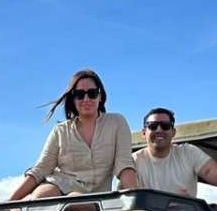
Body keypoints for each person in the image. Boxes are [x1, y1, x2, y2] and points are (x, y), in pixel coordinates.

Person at [9, 70, 138, 200]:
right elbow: (41, 169)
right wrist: (9, 202)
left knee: (75, 201)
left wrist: (136, 200)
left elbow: (124, 165)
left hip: (93, 197)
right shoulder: (60, 130)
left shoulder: (117, 123)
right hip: (57, 186)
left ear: (100, 96)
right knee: (40, 197)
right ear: (73, 98)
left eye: (92, 93)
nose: (86, 99)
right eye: (79, 94)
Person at [134, 107, 217, 211]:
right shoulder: (133, 161)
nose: (159, 130)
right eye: (153, 126)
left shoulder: (188, 153)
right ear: (144, 132)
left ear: (173, 132)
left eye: (165, 126)